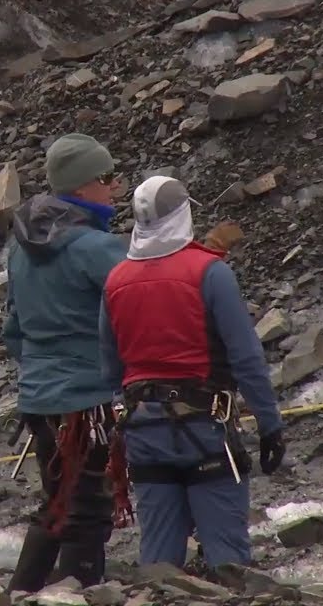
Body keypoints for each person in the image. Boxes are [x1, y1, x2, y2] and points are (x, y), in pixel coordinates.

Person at [100, 175, 284, 570]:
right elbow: (246, 357)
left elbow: (111, 368)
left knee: (159, 559)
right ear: (183, 215)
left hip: (143, 431)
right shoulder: (209, 273)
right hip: (205, 430)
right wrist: (270, 425)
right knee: (227, 557)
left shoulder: (115, 281)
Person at [1, 133, 129, 593]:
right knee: (89, 509)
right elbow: (137, 313)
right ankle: (74, 593)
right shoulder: (98, 249)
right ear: (82, 186)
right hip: (86, 399)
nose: (115, 187)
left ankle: (21, 592)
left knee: (57, 503)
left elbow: (11, 331)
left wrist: (41, 370)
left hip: (38, 398)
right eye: (107, 177)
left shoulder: (20, 248)